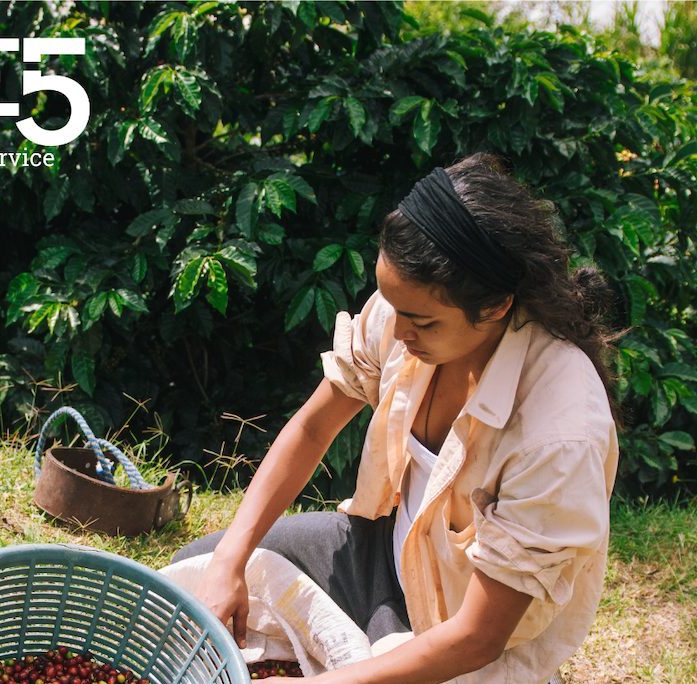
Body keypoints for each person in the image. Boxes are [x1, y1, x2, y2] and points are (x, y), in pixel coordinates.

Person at [173, 153, 620, 684]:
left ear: (496, 306)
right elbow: (314, 427)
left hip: (466, 651)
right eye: (391, 304)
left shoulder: (558, 436)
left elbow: (476, 638)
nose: (397, 330)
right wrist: (229, 559)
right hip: (383, 561)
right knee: (197, 577)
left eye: (421, 321)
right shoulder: (405, 314)